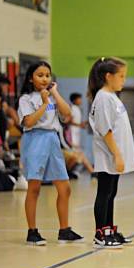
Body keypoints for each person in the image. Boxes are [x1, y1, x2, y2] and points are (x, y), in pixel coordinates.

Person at [17, 61, 83, 245]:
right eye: (40, 75)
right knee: (35, 188)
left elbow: (67, 113)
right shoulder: (26, 99)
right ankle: (32, 232)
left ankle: (64, 229)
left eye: (47, 75)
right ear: (31, 78)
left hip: (52, 140)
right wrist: (45, 103)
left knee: (65, 188)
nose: (45, 78)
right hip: (35, 140)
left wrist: (53, 94)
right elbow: (29, 122)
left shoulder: (53, 96)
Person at [88, 57, 134, 248]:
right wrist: (117, 154)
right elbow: (105, 130)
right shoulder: (102, 98)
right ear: (108, 76)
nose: (123, 80)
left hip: (115, 154)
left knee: (111, 192)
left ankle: (109, 229)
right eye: (121, 76)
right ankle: (100, 233)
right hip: (108, 155)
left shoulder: (112, 97)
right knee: (104, 192)